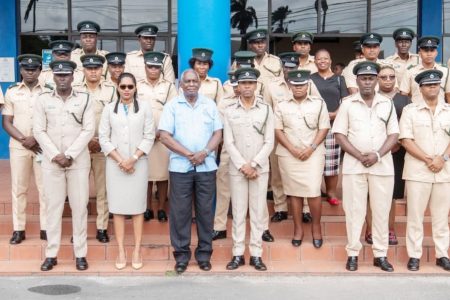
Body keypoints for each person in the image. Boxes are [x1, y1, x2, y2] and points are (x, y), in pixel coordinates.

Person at [332, 61, 399, 272]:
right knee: (354, 212)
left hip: (382, 167)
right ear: (357, 80)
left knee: (381, 211)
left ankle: (380, 254)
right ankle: (353, 253)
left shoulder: (387, 104)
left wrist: (378, 155)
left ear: (377, 80)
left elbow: (394, 134)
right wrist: (359, 155)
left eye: (371, 78)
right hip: (354, 166)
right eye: (364, 78)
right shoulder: (347, 103)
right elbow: (339, 134)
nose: (367, 82)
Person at [158, 69, 222, 274]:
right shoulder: (172, 106)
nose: (192, 84)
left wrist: (204, 152)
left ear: (199, 84)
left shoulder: (209, 105)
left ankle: (204, 254)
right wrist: (188, 154)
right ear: (181, 85)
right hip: (180, 168)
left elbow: (218, 133)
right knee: (180, 213)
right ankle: (181, 255)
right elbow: (164, 136)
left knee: (205, 212)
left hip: (206, 166)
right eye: (188, 81)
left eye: (195, 81)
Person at [34, 60, 95, 271]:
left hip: (78, 162)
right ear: (53, 77)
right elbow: (38, 131)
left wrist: (69, 154)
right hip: (52, 163)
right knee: (53, 208)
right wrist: (56, 155)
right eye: (59, 75)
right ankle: (51, 253)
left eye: (66, 75)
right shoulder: (42, 100)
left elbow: (88, 130)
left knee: (79, 208)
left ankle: (80, 253)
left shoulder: (86, 98)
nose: (62, 78)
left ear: (73, 76)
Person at [99, 72, 155, 270]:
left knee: (138, 208)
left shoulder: (145, 108)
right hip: (115, 166)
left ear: (135, 88)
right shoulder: (108, 109)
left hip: (138, 164)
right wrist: (121, 160)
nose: (126, 90)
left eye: (130, 87)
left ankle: (137, 249)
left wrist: (133, 159)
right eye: (123, 87)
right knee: (118, 209)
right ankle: (121, 250)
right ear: (117, 88)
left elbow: (150, 136)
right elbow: (103, 138)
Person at [399, 69, 450, 272]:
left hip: (444, 171)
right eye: (428, 85)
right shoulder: (410, 111)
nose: (433, 88)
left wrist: (443, 158)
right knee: (415, 216)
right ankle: (414, 255)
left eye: (436, 84)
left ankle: (442, 254)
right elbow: (405, 139)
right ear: (420, 88)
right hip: (418, 171)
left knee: (441, 217)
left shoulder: (449, 111)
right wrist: (428, 159)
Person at [224, 67, 274, 271]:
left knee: (257, 211)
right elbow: (228, 142)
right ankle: (237, 253)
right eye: (243, 83)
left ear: (256, 85)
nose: (247, 86)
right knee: (237, 212)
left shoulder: (266, 109)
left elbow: (269, 141)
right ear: (238, 85)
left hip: (259, 169)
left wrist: (253, 164)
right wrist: (243, 165)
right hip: (238, 169)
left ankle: (256, 254)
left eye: (250, 83)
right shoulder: (229, 110)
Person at [275, 69, 330, 248]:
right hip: (289, 154)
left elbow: (324, 128)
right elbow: (277, 129)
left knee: (313, 191)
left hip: (312, 154)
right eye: (295, 85)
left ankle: (316, 227)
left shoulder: (319, 103)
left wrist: (311, 148)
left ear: (308, 85)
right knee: (294, 193)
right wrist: (291, 148)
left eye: (302, 85)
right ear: (290, 85)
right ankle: (298, 229)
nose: (298, 88)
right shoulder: (281, 105)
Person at [2, 54, 48, 244]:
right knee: (19, 189)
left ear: (39, 71)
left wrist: (36, 138)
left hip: (42, 147)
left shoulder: (48, 91)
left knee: (45, 189)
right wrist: (25, 139)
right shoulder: (12, 91)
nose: (30, 72)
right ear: (20, 70)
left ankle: (46, 228)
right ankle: (18, 229)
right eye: (27, 69)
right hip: (19, 147)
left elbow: (52, 120)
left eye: (34, 69)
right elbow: (6, 122)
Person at [73, 54, 118, 243]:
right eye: (89, 68)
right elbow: (69, 120)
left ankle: (101, 227)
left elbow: (116, 118)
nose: (93, 71)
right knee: (78, 192)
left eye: (97, 68)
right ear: (83, 69)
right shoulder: (74, 90)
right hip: (79, 149)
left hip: (102, 147)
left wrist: (100, 140)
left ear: (102, 70)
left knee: (103, 190)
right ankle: (79, 230)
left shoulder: (111, 90)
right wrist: (85, 141)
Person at [364, 65, 411, 246]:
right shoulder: (370, 97)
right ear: (377, 79)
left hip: (397, 153)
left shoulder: (404, 100)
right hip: (374, 152)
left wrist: (395, 143)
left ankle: (389, 229)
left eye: (391, 76)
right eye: (383, 77)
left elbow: (406, 125)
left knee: (390, 194)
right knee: (370, 194)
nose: (388, 80)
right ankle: (370, 230)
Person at [137, 51, 177, 222]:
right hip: (142, 136)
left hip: (163, 136)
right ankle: (146, 208)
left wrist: (162, 131)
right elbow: (133, 110)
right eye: (150, 66)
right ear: (145, 67)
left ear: (161, 69)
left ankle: (161, 208)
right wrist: (145, 132)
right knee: (144, 175)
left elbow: (173, 110)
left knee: (162, 175)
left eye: (156, 67)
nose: (153, 69)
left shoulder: (169, 86)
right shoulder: (137, 85)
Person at [310, 49, 349, 206]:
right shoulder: (309, 79)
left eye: (325, 58)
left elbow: (345, 102)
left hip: (333, 126)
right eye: (319, 59)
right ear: (315, 62)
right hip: (313, 126)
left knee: (331, 161)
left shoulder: (340, 80)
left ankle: (331, 192)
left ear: (331, 61)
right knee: (314, 159)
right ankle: (314, 191)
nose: (322, 61)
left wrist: (333, 115)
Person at [264, 52, 297, 223]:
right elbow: (267, 110)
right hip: (278, 135)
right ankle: (281, 208)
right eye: (287, 67)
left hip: (301, 136)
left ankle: (305, 209)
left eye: (293, 67)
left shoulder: (308, 83)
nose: (290, 70)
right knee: (277, 174)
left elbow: (316, 104)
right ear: (282, 68)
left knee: (300, 173)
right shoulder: (272, 86)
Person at [213, 71, 239, 241]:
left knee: (255, 194)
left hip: (252, 153)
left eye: (243, 84)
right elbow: (219, 129)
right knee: (223, 189)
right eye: (235, 85)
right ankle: (219, 227)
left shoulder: (260, 102)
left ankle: (262, 228)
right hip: (228, 150)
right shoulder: (224, 102)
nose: (239, 88)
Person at [400, 36, 450, 103]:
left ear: (436, 53)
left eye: (432, 51)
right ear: (420, 54)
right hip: (416, 111)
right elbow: (404, 96)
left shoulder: (445, 71)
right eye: (426, 51)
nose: (429, 54)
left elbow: (448, 95)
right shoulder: (410, 71)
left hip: (439, 111)